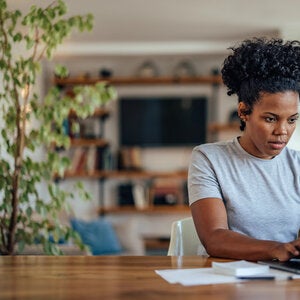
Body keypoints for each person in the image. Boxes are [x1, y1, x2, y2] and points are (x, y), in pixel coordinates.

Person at [188, 38, 300, 262]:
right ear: (243, 111)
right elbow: (214, 238)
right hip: (226, 277)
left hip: (286, 276)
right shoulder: (208, 158)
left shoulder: (297, 164)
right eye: (270, 119)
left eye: (292, 120)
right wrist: (277, 249)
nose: (282, 131)